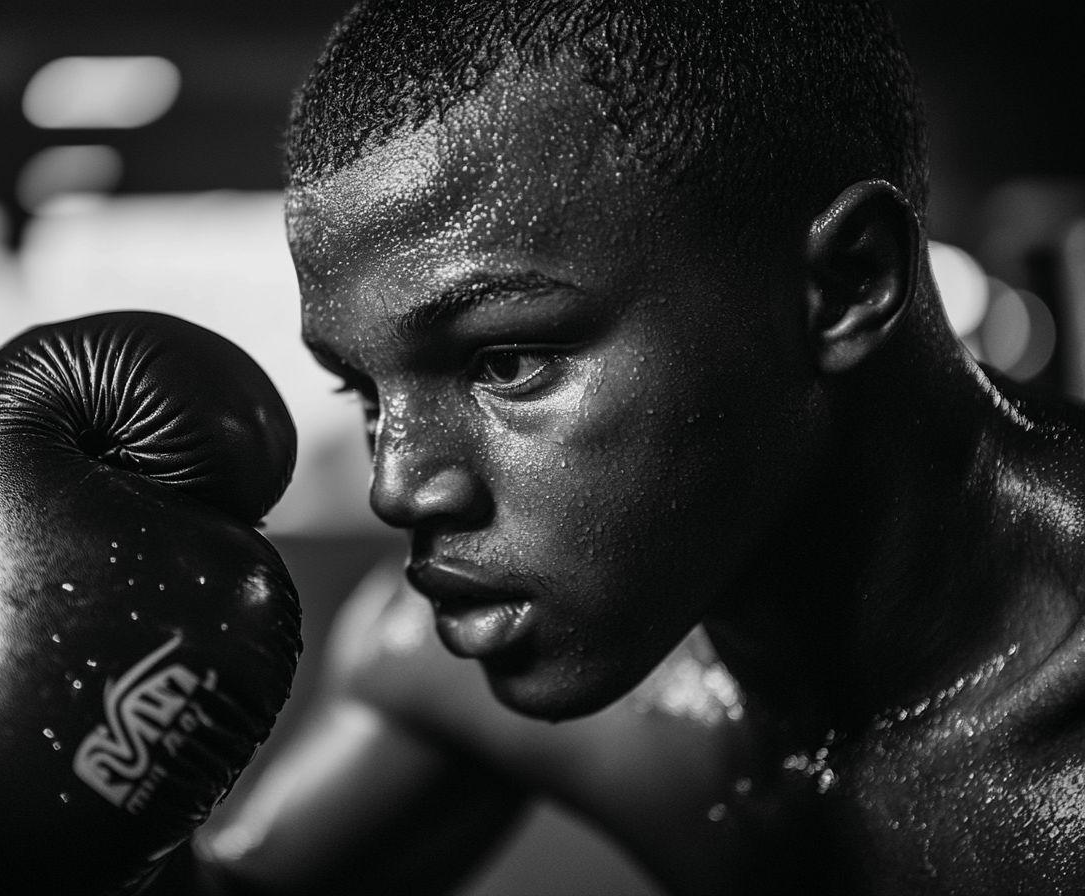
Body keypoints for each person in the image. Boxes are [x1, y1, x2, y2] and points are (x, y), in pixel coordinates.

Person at [179, 0, 1085, 893]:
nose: (400, 486)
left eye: (507, 361)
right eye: (365, 391)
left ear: (849, 283)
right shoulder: (438, 655)